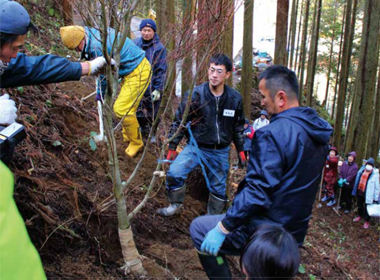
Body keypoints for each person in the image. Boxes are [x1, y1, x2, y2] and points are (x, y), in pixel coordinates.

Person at [189, 65, 332, 279]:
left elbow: (258, 191)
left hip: (265, 230)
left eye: (265, 96)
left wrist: (224, 227)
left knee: (200, 229)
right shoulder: (318, 134)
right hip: (293, 233)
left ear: (281, 98)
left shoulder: (271, 134)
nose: (262, 102)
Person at [0, 1, 108, 279]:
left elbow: (34, 68)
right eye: (14, 48)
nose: (15, 56)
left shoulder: (4, 61)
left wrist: (84, 68)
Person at [156, 53, 246, 217]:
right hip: (196, 147)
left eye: (219, 71)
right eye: (212, 70)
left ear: (227, 74)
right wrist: (172, 145)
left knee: (218, 187)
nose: (214, 75)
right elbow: (180, 122)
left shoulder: (234, 98)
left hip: (220, 151)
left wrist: (241, 149)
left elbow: (238, 127)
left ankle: (211, 219)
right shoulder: (195, 95)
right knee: (175, 172)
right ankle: (175, 205)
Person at [60, 25, 151, 158]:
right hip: (131, 68)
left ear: (80, 40)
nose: (77, 51)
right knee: (125, 108)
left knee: (121, 109)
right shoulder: (91, 34)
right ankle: (128, 135)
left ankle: (136, 142)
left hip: (138, 70)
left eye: (76, 48)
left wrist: (100, 93)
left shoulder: (96, 47)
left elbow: (104, 73)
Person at [133, 19, 167, 143]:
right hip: (137, 84)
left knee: (154, 112)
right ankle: (143, 128)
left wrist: (158, 89)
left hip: (153, 85)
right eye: (144, 30)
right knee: (138, 109)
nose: (146, 33)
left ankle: (152, 132)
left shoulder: (159, 48)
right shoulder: (135, 44)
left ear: (153, 32)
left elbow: (161, 70)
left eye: (149, 30)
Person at [352, 157, 379, 229]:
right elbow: (357, 180)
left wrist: (376, 198)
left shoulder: (375, 175)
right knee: (360, 205)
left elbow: (377, 187)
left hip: (369, 194)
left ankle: (367, 221)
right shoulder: (362, 171)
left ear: (372, 166)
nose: (369, 166)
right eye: (368, 164)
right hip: (360, 192)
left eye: (371, 165)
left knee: (368, 208)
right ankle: (360, 215)